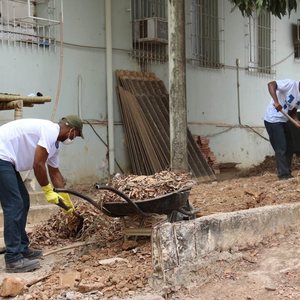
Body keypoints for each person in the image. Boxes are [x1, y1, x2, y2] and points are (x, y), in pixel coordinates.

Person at [0, 115, 84, 273]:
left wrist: (67, 203)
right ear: (72, 130)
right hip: (1, 156)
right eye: (76, 135)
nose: (74, 138)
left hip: (6, 159)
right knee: (14, 205)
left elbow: (55, 173)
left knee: (23, 202)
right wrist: (47, 190)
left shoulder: (55, 146)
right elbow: (38, 164)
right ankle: (13, 259)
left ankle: (22, 248)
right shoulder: (51, 130)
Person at [264, 79, 300, 180]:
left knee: (290, 146)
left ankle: (287, 172)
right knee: (281, 147)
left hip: (284, 120)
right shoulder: (291, 84)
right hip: (272, 119)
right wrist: (276, 101)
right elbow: (271, 84)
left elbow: (292, 111)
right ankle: (283, 175)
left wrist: (296, 120)